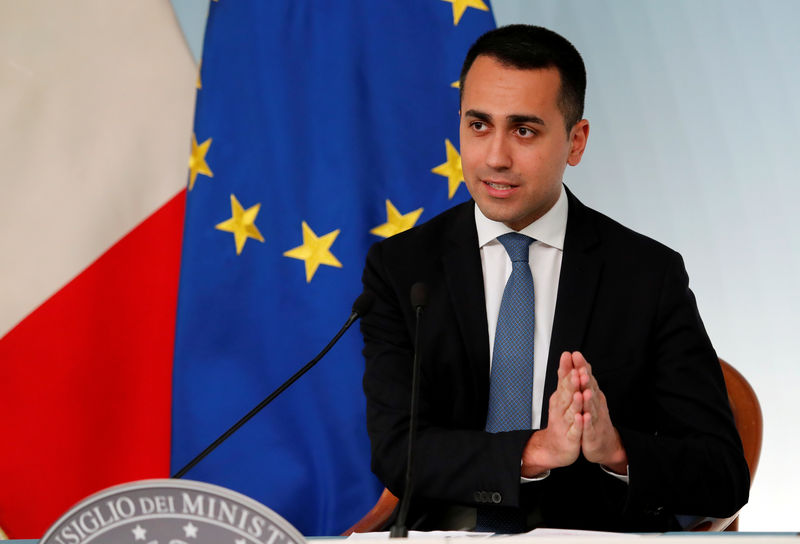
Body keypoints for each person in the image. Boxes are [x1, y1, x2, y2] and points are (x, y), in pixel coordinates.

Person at [360, 24, 749, 533]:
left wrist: (614, 448)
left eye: (524, 130)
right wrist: (535, 450)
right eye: (479, 125)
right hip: (452, 530)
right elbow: (398, 450)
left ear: (576, 141)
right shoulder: (403, 269)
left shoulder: (646, 275)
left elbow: (721, 474)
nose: (495, 156)